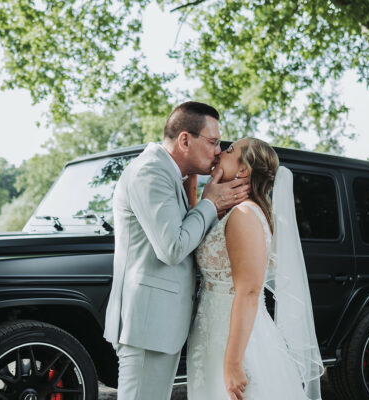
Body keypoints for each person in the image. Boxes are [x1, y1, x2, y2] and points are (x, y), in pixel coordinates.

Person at [103, 101, 251, 400]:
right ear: (185, 139)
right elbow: (172, 247)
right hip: (147, 325)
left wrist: (197, 195)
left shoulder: (171, 175)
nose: (217, 151)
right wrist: (211, 203)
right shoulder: (150, 172)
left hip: (158, 325)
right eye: (212, 142)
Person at [186, 138, 324, 400]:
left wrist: (234, 363)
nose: (220, 153)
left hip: (238, 341)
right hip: (213, 333)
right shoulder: (230, 213)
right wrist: (196, 181)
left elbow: (249, 291)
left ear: (244, 170)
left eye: (229, 151)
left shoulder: (245, 215)